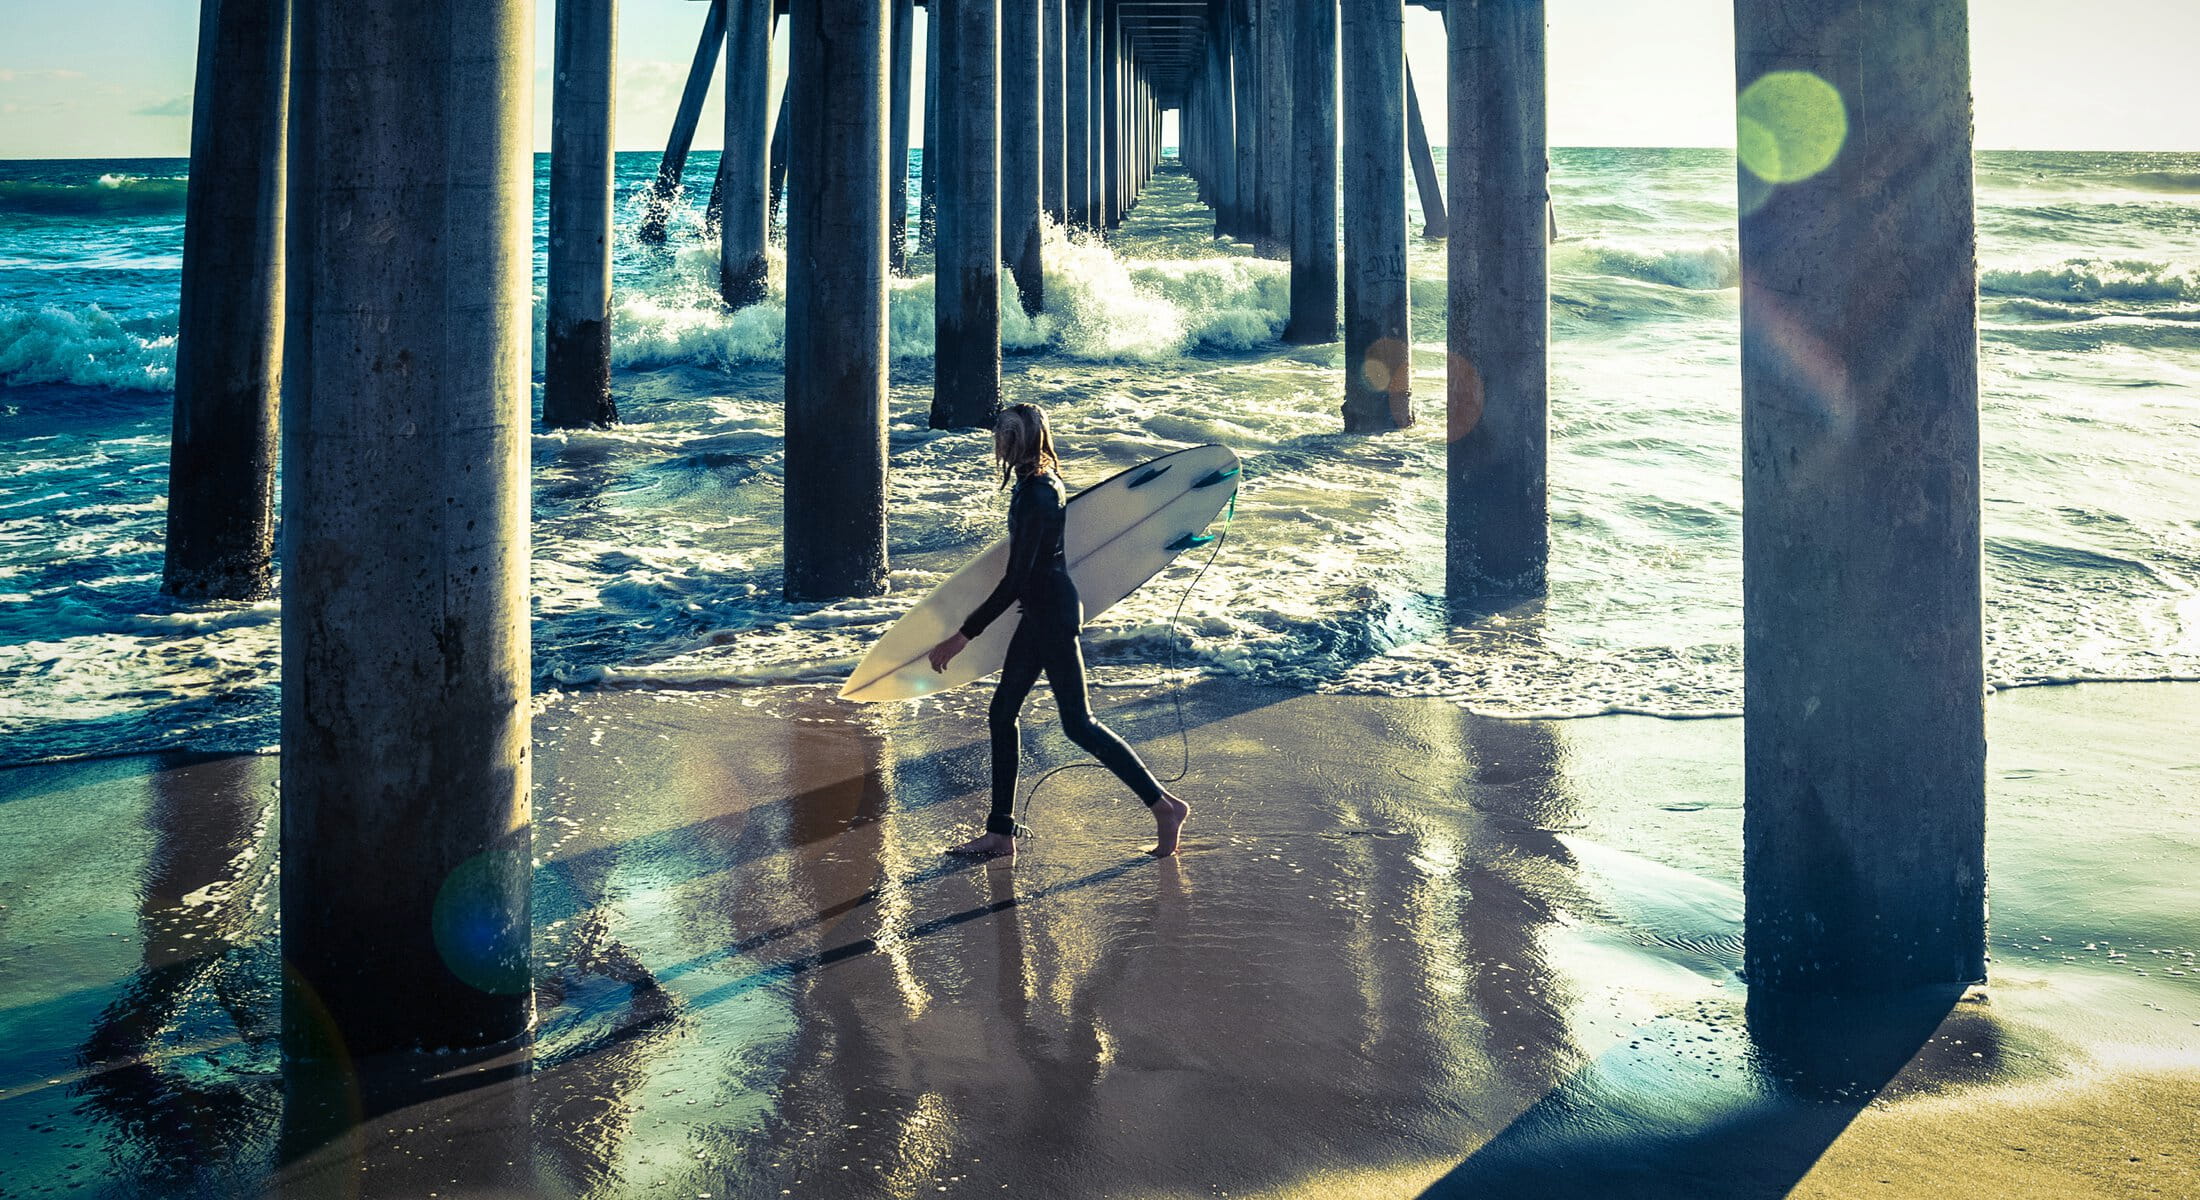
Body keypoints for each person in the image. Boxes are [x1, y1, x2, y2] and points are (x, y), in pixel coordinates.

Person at [927, 403, 1190, 860]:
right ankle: (1000, 833)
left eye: (1003, 437)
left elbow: (1016, 578)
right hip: (1043, 612)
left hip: (1049, 616)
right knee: (1003, 713)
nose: (998, 444)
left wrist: (963, 635)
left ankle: (1164, 807)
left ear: (1015, 441)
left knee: (1078, 724)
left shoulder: (1036, 495)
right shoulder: (1040, 483)